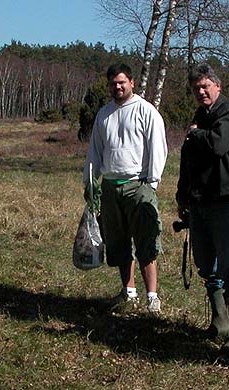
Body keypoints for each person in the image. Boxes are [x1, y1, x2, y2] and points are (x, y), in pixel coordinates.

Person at [176, 63, 229, 352]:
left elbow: (218, 145)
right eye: (196, 88)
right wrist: (183, 196)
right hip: (199, 200)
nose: (201, 91)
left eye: (206, 86)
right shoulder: (199, 116)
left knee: (228, 264)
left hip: (225, 198)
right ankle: (219, 322)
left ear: (218, 86)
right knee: (207, 265)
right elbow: (188, 160)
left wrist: (195, 134)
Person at [83, 63, 167, 316]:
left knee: (147, 241)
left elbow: (158, 149)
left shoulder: (146, 111)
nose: (117, 87)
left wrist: (151, 183)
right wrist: (90, 182)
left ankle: (152, 296)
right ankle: (128, 292)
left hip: (139, 185)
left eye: (122, 82)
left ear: (131, 82)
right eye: (112, 83)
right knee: (118, 243)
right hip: (110, 187)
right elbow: (95, 152)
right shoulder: (104, 114)